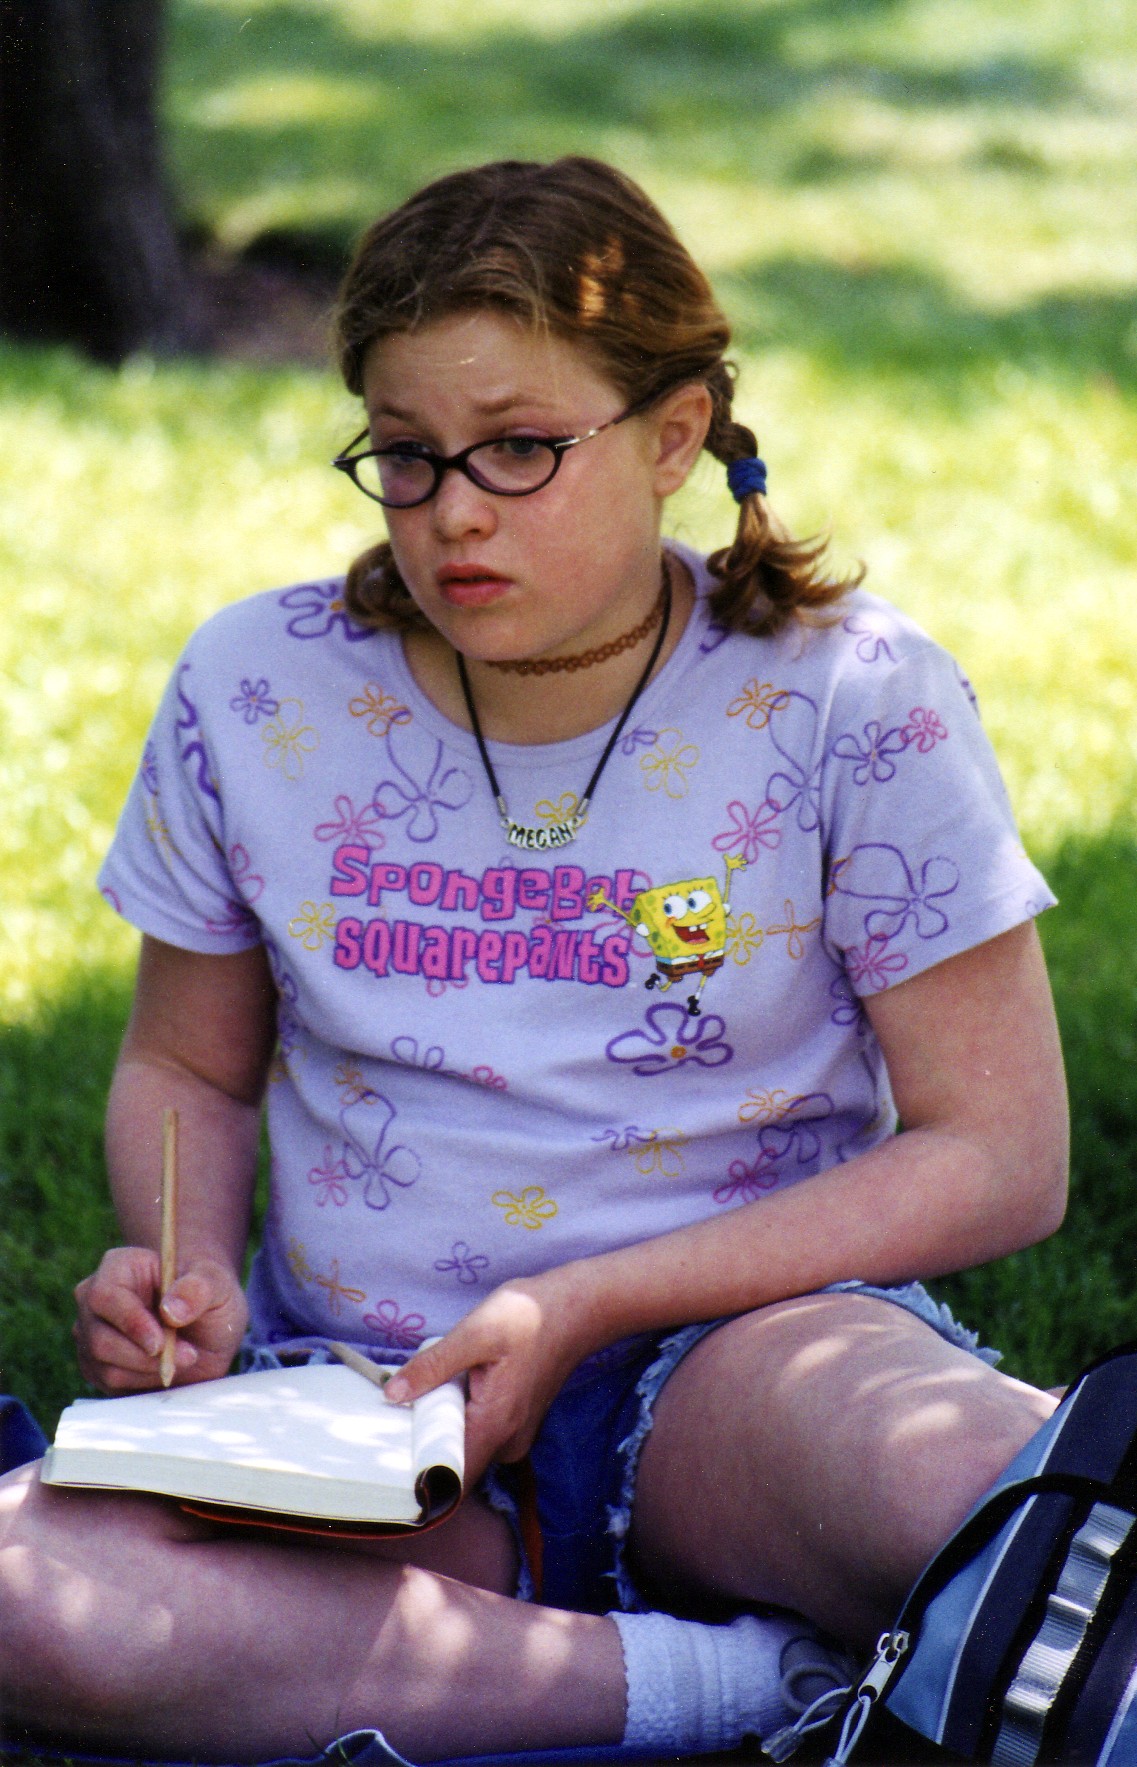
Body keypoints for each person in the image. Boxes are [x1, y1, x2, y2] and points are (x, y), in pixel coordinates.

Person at [0, 156, 1068, 1766]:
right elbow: (186, 1069)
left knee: (1005, 1507)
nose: (452, 513)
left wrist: (580, 1305)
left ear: (673, 434)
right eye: (406, 456)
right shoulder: (258, 686)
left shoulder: (851, 698)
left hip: (736, 1363)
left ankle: (501, 1669)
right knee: (27, 1594)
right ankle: (750, 1686)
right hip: (366, 1408)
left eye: (517, 449)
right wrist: (187, 1266)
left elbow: (1000, 1155)